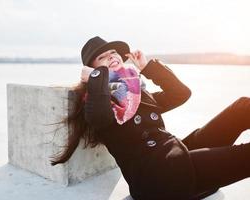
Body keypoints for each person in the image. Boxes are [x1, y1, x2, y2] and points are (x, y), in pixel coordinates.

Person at [51, 36, 250, 200]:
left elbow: (181, 93)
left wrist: (148, 68)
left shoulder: (135, 93)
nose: (111, 56)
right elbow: (99, 117)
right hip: (157, 177)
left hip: (175, 156)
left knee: (242, 107)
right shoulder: (98, 102)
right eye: (102, 58)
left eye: (113, 52)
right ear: (93, 70)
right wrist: (97, 79)